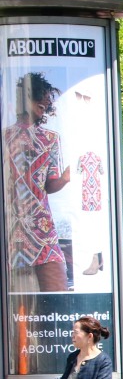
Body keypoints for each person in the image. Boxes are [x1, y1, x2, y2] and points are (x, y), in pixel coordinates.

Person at [4, 72, 71, 292]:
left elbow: (49, 185)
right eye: (39, 98)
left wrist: (65, 178)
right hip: (15, 225)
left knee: (56, 289)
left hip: (38, 226)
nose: (46, 103)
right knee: (16, 298)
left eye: (47, 100)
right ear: (25, 99)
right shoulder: (5, 137)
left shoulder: (50, 138)